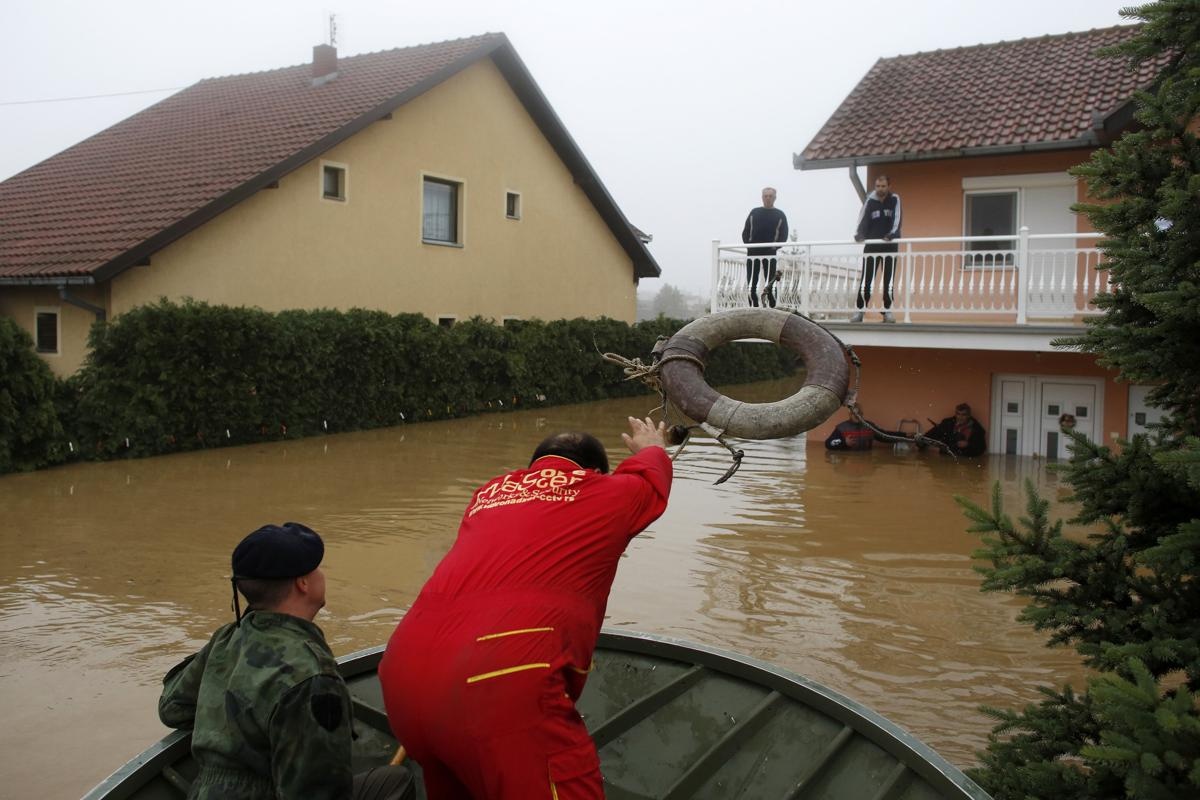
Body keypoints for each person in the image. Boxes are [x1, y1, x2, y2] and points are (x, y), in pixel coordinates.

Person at [378, 417, 672, 800]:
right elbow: (652, 481)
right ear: (595, 472)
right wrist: (653, 446)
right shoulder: (609, 491)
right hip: (500, 679)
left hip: (401, 671)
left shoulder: (487, 495)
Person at [158, 522, 414, 800]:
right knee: (396, 783)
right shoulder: (312, 676)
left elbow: (173, 709)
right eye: (316, 568)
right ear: (303, 583)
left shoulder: (227, 637)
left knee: (391, 779)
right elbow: (318, 792)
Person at [851, 175, 902, 323]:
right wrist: (859, 234)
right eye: (878, 186)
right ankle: (860, 311)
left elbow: (897, 221)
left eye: (883, 186)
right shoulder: (870, 201)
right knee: (867, 280)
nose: (880, 189)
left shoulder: (894, 200)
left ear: (889, 186)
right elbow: (862, 219)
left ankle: (887, 312)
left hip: (890, 246)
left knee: (889, 280)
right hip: (872, 247)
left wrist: (892, 234)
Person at [742, 186, 789, 308]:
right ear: (762, 197)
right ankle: (754, 304)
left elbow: (784, 235)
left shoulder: (780, 215)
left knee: (771, 281)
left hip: (770, 252)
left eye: (770, 196)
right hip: (753, 253)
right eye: (765, 196)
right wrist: (749, 245)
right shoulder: (754, 212)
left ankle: (771, 303)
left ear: (775, 198)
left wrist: (775, 247)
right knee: (752, 281)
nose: (768, 198)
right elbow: (746, 231)